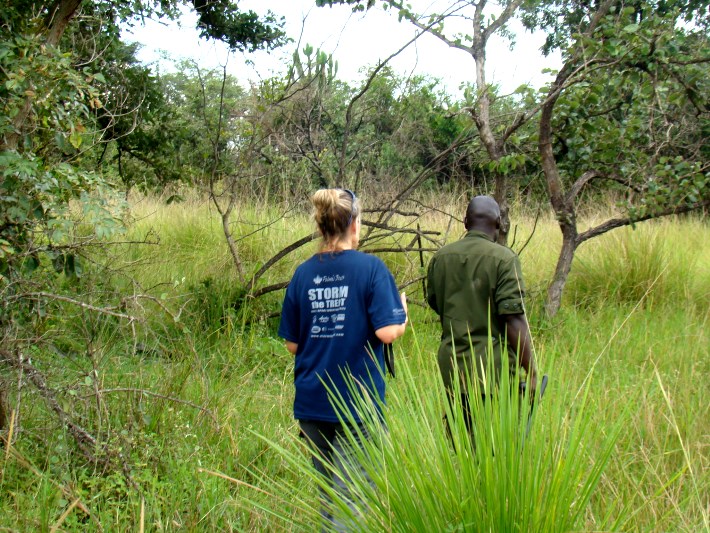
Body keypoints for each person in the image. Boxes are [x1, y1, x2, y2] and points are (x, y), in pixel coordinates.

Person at [278, 188, 408, 528]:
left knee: (329, 500)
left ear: (321, 227)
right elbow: (387, 332)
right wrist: (403, 316)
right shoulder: (371, 268)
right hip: (356, 404)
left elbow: (292, 344)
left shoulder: (303, 274)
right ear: (354, 226)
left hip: (312, 403)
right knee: (350, 502)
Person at [426, 195, 537, 431]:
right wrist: (532, 370)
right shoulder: (505, 259)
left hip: (453, 367)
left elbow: (436, 302)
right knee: (498, 443)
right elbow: (513, 319)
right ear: (498, 223)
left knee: (462, 441)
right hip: (494, 369)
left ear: (465, 222)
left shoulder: (441, 258)